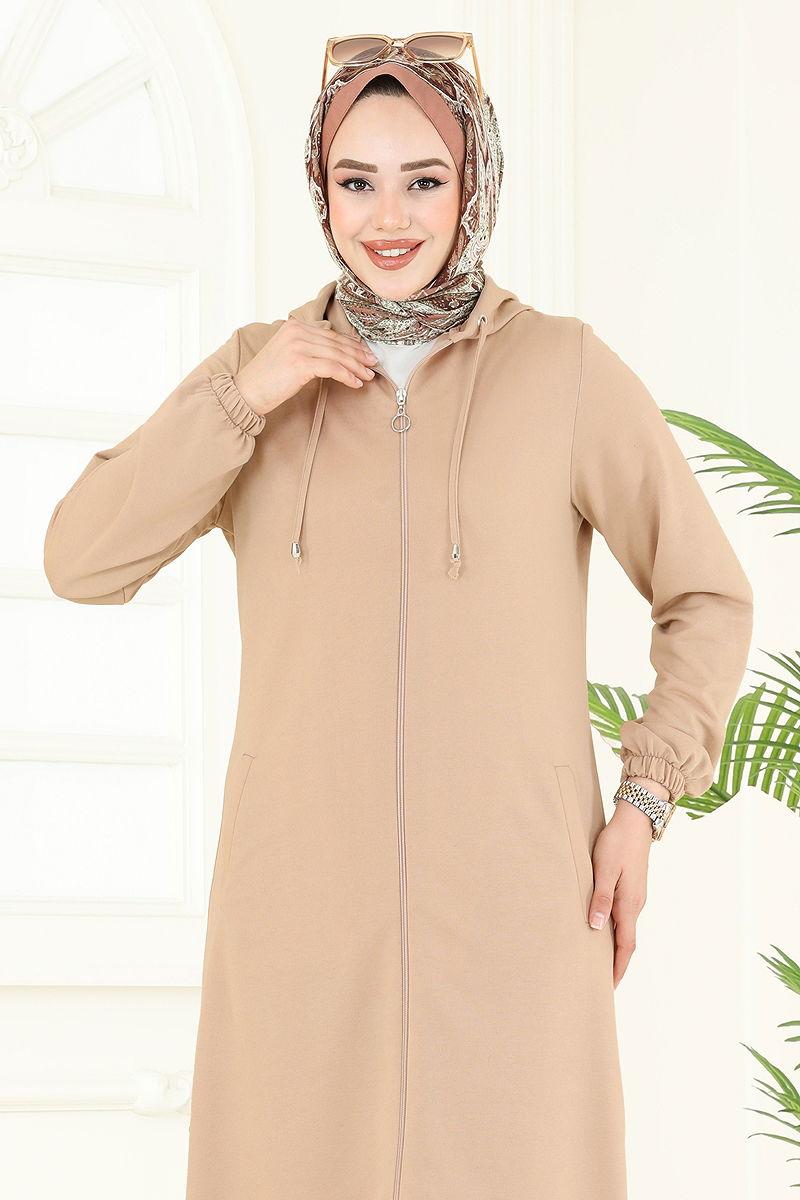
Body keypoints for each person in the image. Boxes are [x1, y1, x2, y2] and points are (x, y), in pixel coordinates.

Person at [42, 37, 754, 1200]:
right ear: (318, 190)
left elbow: (705, 593)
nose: (388, 217)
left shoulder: (563, 371)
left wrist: (640, 804)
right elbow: (80, 560)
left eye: (423, 179)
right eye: (355, 180)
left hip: (519, 911)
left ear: (473, 180)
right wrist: (244, 397)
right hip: (296, 915)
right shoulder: (256, 375)